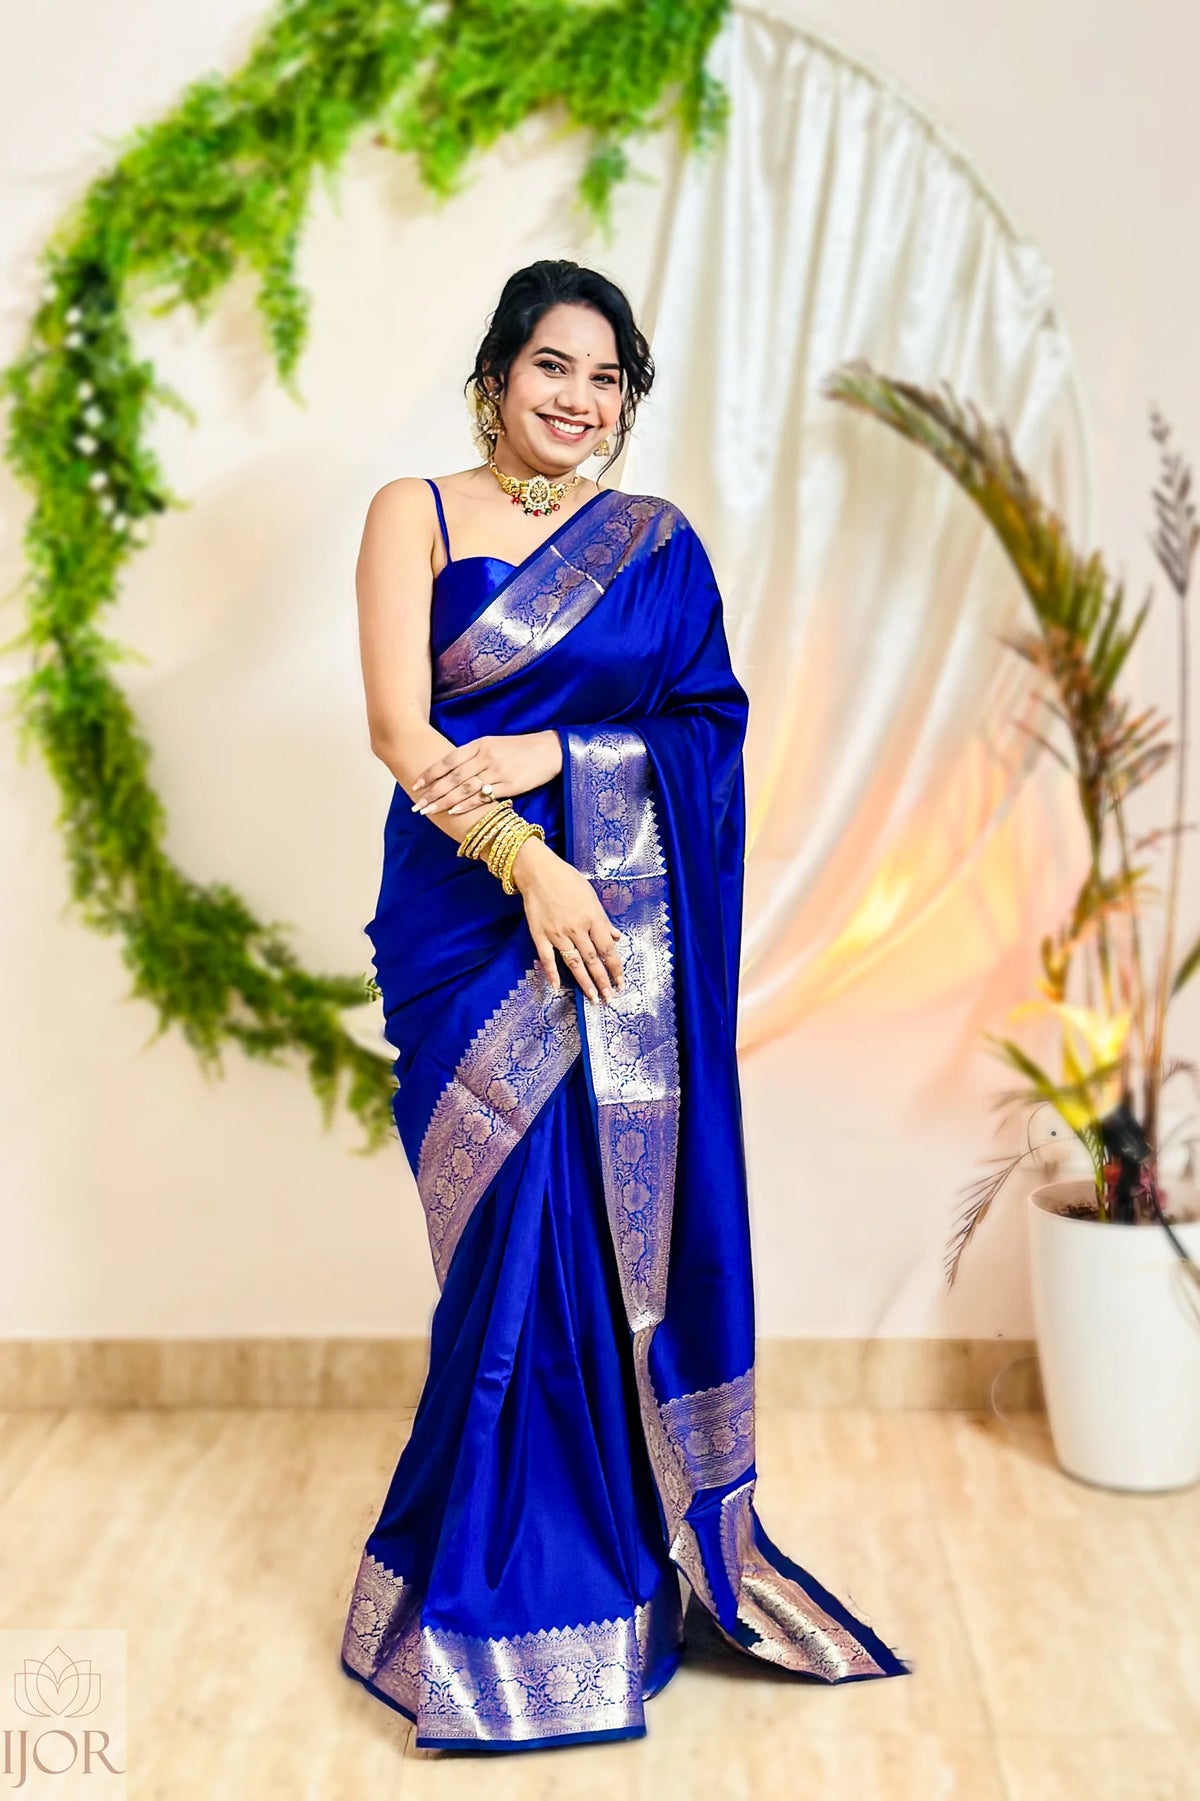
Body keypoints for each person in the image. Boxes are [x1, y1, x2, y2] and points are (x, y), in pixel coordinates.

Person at [340, 260, 912, 1752]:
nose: (578, 400)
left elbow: (704, 736)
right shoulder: (416, 509)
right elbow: (403, 727)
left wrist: (557, 759)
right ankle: (473, 1594)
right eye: (552, 367)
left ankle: (592, 1587)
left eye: (606, 379)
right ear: (497, 373)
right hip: (469, 921)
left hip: (615, 938)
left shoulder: (657, 549)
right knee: (498, 1255)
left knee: (587, 1243)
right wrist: (531, 859)